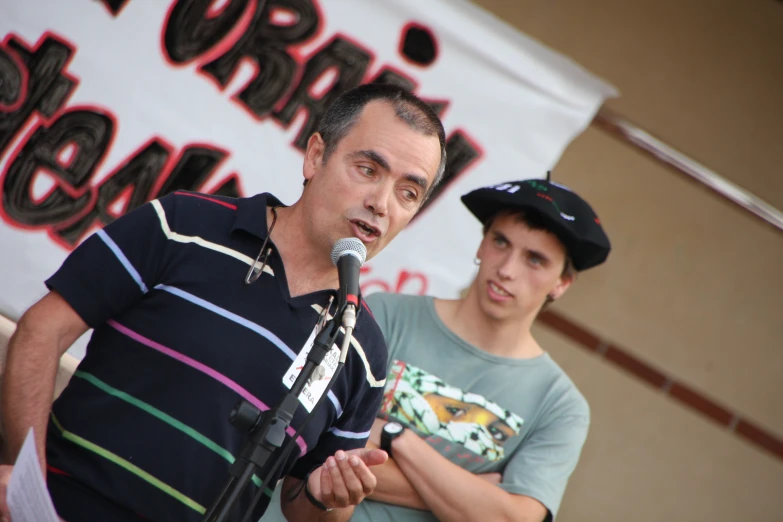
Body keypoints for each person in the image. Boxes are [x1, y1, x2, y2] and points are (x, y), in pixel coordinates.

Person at [0, 83, 446, 522]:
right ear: (315, 156)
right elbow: (43, 330)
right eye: (368, 169)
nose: (381, 203)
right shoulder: (181, 224)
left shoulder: (362, 349)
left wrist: (325, 494)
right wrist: (26, 482)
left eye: (408, 193)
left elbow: (306, 507)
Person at [352, 178, 611, 521]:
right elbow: (319, 444)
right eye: (500, 242)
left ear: (562, 283)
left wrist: (395, 436)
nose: (506, 270)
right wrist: (473, 493)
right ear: (481, 244)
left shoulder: (560, 406)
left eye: (535, 260)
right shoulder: (385, 314)